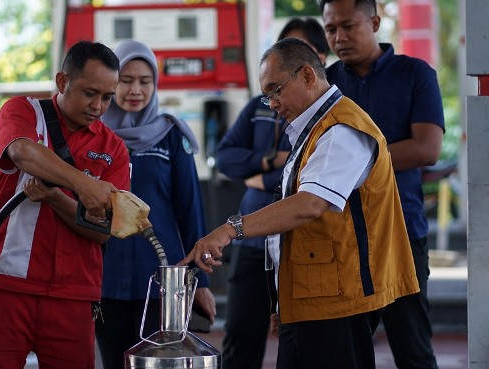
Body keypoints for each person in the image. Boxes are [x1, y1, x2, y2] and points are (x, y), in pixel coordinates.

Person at [180, 38, 420, 368]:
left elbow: (308, 205)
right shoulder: (314, 130)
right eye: (267, 95)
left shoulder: (342, 130)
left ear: (307, 75)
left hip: (338, 303)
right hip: (314, 300)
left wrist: (230, 229)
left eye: (276, 90)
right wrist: (285, 301)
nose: (272, 103)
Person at [0, 41, 130, 369]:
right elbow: (22, 152)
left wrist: (57, 198)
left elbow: (103, 233)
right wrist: (85, 185)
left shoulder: (115, 147)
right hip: (7, 284)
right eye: (89, 93)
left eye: (108, 97)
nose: (98, 105)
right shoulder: (22, 110)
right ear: (62, 81)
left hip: (75, 294)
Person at [320, 0, 444, 367]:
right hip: (338, 238)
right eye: (330, 30)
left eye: (348, 26)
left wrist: (350, 163)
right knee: (342, 354)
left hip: (401, 233)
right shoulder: (323, 84)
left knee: (413, 350)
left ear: (374, 22)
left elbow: (426, 149)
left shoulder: (415, 74)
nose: (339, 37)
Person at [94, 40, 217, 369]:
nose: (135, 90)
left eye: (145, 81)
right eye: (126, 80)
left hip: (163, 279)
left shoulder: (171, 137)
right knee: (114, 362)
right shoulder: (95, 135)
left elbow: (190, 213)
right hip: (104, 277)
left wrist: (201, 283)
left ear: (155, 85)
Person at [215, 18, 329, 369]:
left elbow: (306, 182)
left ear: (314, 64)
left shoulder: (331, 117)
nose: (275, 98)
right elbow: (225, 158)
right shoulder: (259, 106)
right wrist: (267, 158)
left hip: (301, 245)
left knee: (297, 344)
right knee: (240, 338)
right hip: (252, 242)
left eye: (291, 57)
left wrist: (262, 179)